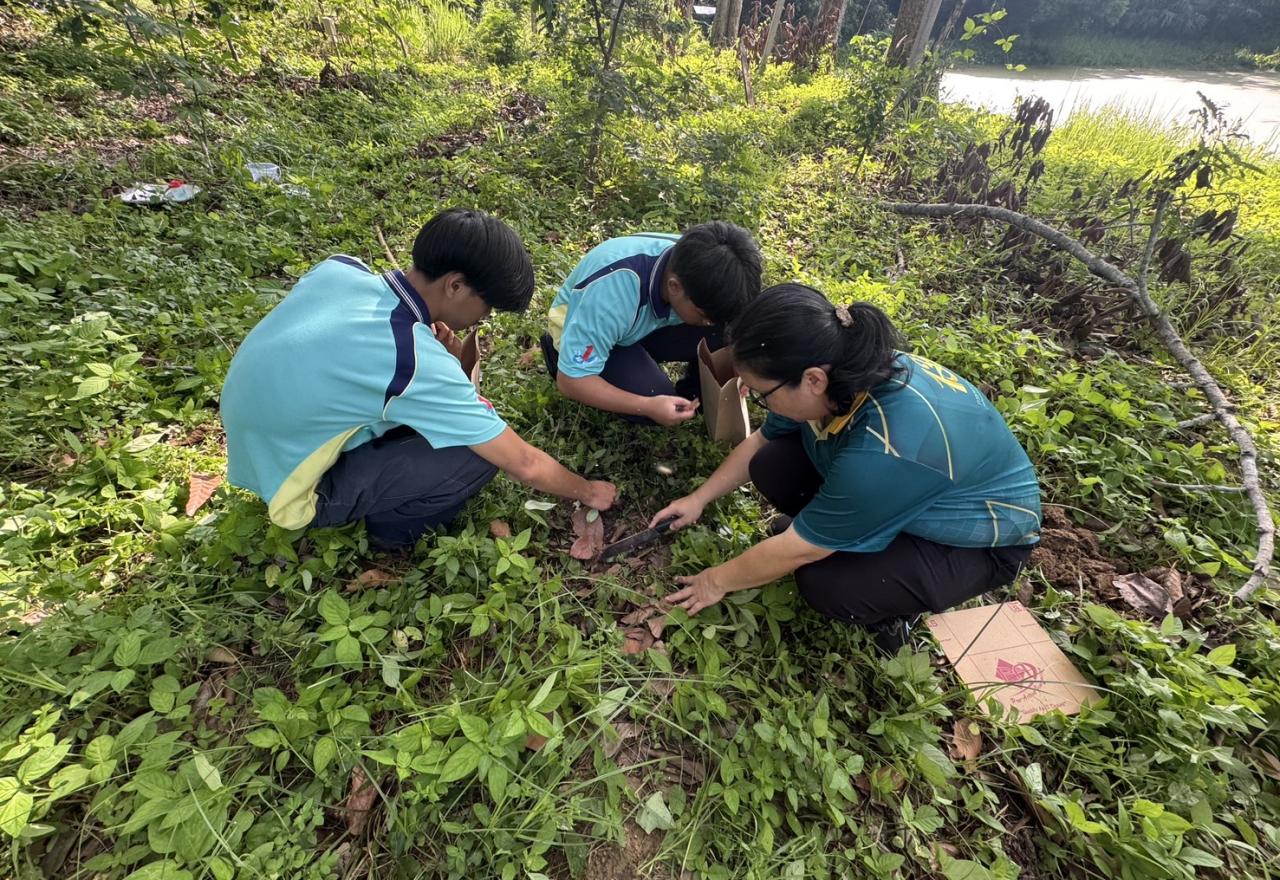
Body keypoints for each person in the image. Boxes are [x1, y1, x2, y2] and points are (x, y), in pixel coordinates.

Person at [652, 283, 1041, 652]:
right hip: (906, 490)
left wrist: (714, 581)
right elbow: (761, 441)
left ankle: (892, 612)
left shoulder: (887, 450)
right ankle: (840, 532)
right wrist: (698, 498)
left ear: (813, 380)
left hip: (977, 546)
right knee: (771, 464)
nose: (755, 399)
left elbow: (794, 551)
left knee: (825, 583)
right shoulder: (841, 367)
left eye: (761, 393)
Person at [221, 208, 615, 551]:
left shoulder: (340, 269)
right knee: (472, 455)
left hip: (254, 450)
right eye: (487, 305)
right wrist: (588, 491)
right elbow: (524, 463)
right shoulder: (409, 360)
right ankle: (392, 534)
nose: (485, 317)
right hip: (292, 490)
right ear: (456, 285)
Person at [541, 222, 762, 426]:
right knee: (651, 398)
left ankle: (694, 396)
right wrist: (646, 406)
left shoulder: (702, 265)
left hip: (638, 325)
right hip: (595, 331)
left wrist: (742, 363)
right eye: (704, 315)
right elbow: (571, 381)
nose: (708, 323)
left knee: (724, 331)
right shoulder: (611, 296)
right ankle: (561, 353)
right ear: (674, 287)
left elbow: (735, 321)